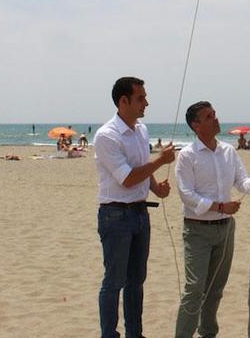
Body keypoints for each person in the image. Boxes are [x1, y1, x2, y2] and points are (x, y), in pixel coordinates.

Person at [175, 101, 250, 338]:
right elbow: (186, 195)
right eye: (209, 116)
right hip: (197, 230)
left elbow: (243, 184)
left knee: (215, 289)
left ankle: (208, 333)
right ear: (196, 125)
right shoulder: (187, 155)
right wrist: (220, 206)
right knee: (194, 289)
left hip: (225, 229)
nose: (215, 119)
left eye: (214, 114)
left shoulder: (228, 151)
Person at [95, 77, 175, 338]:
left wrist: (156, 188)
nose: (146, 103)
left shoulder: (141, 130)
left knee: (136, 281)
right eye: (140, 98)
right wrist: (161, 161)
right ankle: (109, 334)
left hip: (140, 213)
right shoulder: (107, 135)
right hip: (115, 214)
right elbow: (127, 177)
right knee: (114, 281)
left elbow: (140, 167)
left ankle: (134, 333)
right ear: (123, 101)